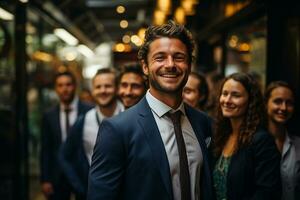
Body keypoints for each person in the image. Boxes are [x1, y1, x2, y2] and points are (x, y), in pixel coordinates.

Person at [87, 20, 214, 200]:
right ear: (145, 67)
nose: (170, 64)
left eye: (179, 57)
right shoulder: (117, 130)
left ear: (189, 65)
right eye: (160, 57)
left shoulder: (204, 123)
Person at [212, 72, 281, 200]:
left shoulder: (261, 140)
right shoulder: (221, 136)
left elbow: (266, 192)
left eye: (236, 95)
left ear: (250, 101)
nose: (227, 100)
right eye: (224, 94)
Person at [59, 68, 124, 200]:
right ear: (93, 91)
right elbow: (64, 155)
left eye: (108, 86)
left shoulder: (129, 116)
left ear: (117, 88)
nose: (103, 90)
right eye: (98, 87)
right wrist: (79, 187)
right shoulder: (83, 120)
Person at [40, 71, 93, 200]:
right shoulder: (49, 116)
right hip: (57, 175)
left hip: (83, 173)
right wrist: (45, 179)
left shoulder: (89, 111)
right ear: (55, 89)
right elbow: (45, 149)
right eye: (60, 85)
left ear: (75, 86)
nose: (65, 89)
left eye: (68, 84)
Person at [265, 81, 299, 200]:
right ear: (266, 103)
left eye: (289, 103)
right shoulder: (253, 143)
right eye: (278, 101)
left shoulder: (298, 145)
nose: (283, 108)